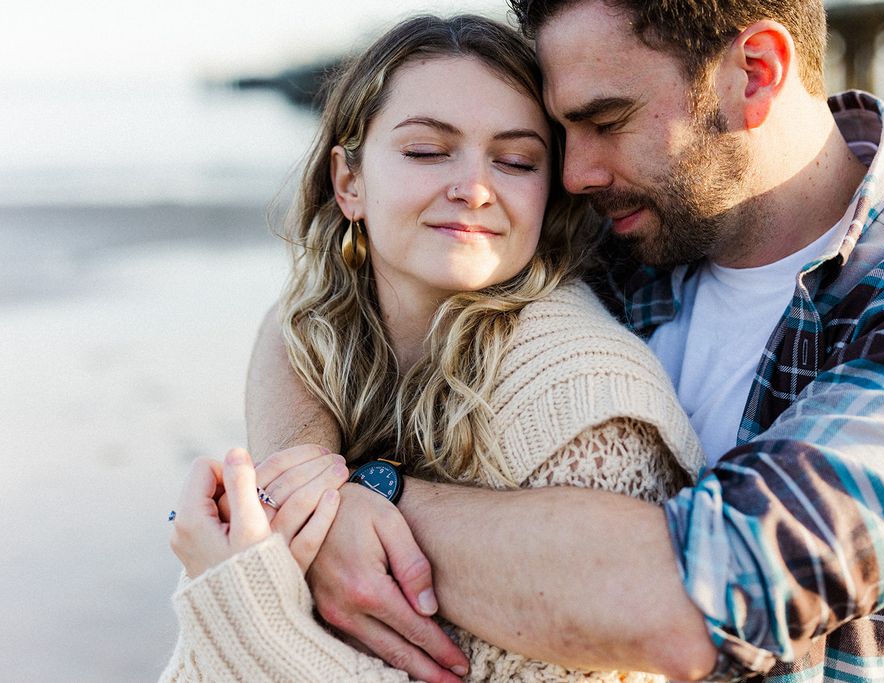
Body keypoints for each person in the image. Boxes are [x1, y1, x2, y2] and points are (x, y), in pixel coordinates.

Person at [245, 0, 884, 681]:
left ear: (753, 73)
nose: (573, 173)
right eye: (555, 135)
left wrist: (368, 498)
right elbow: (319, 316)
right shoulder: (627, 221)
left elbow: (698, 602)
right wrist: (309, 482)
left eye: (606, 121)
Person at [162, 13, 705, 683]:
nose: (473, 186)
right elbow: (289, 324)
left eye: (515, 160)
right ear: (348, 181)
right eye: (426, 150)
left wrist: (242, 603)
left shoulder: (584, 407)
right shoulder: (327, 343)